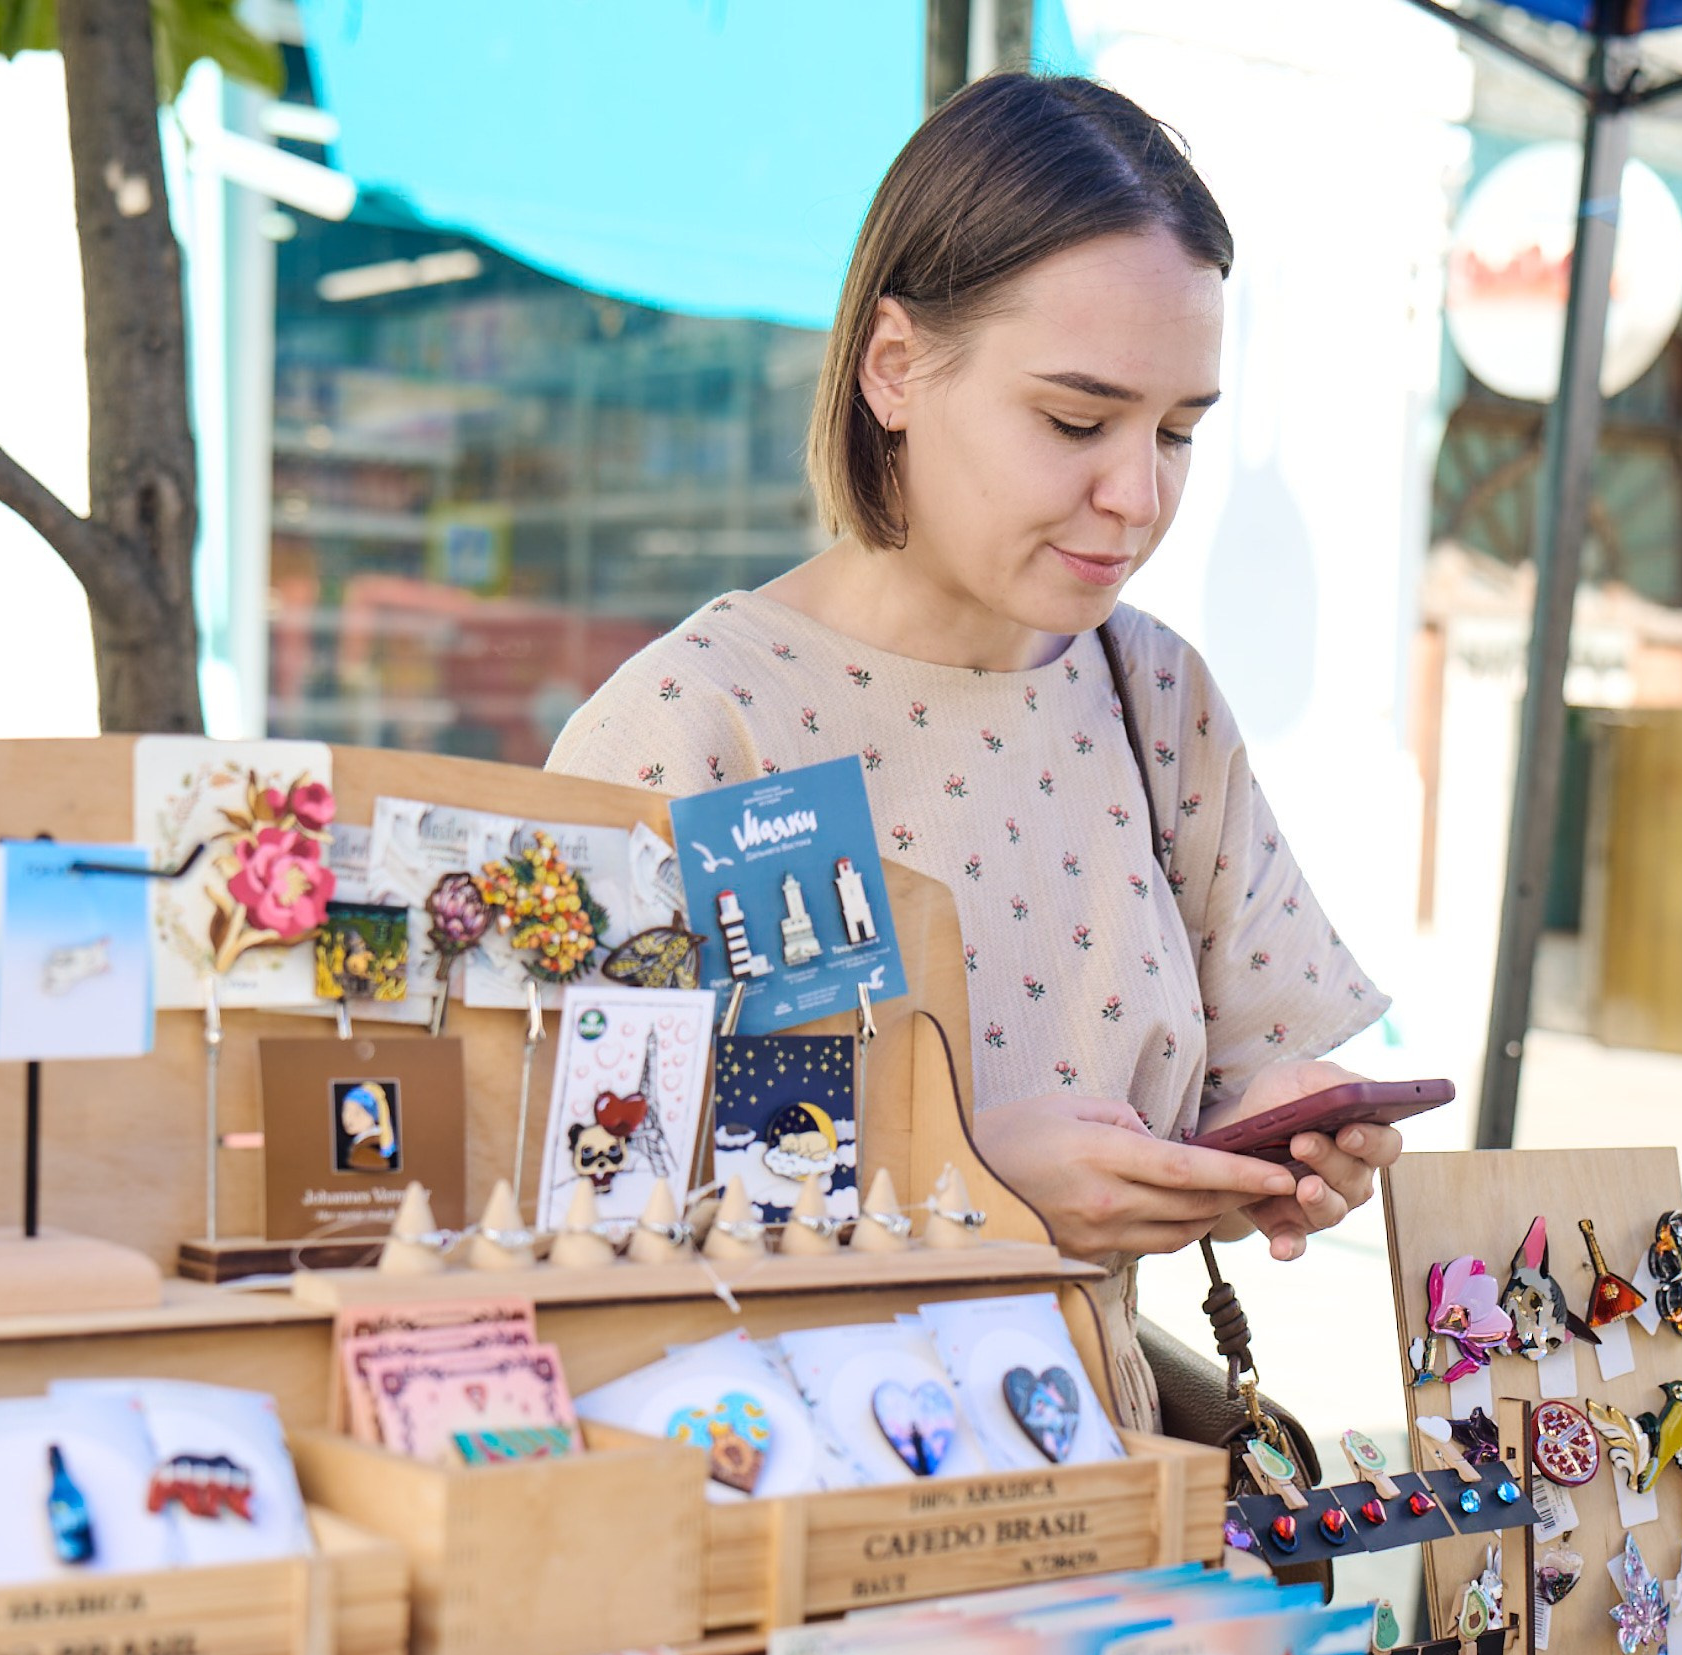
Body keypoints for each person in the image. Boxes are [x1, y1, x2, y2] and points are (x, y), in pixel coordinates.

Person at [545, 72, 1403, 1430]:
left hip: (1118, 1528)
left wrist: (1294, 1137)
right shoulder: (707, 729)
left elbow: (1256, 1057)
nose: (1138, 494)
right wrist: (953, 1179)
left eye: (1179, 433)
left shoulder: (1155, 693)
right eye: (1076, 421)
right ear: (895, 366)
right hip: (797, 1517)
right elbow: (564, 1191)